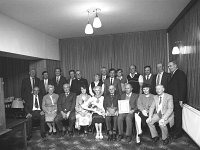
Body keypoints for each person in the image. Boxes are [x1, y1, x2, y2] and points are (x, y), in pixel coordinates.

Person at [167, 61, 187, 139]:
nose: (169, 67)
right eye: (168, 66)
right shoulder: (173, 74)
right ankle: (176, 131)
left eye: (171, 66)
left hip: (178, 99)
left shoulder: (180, 73)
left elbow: (183, 87)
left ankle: (178, 133)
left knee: (178, 117)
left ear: (175, 65)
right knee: (175, 116)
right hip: (174, 99)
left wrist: (181, 99)